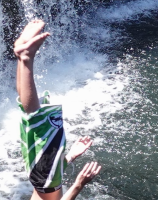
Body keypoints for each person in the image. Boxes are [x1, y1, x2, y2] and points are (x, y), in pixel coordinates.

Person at [14, 19, 102, 200]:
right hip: (41, 173)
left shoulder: (45, 182)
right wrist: (69, 157)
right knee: (30, 113)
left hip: (45, 178)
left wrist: (79, 185)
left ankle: (26, 58)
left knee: (36, 117)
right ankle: (21, 57)